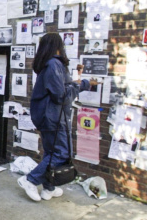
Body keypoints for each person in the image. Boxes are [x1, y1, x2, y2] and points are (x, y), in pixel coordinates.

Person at [17, 33, 99, 202]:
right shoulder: (54, 64)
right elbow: (61, 96)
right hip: (53, 118)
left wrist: (77, 83)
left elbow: (62, 88)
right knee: (61, 153)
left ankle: (49, 187)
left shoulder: (50, 64)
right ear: (57, 46)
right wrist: (84, 85)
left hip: (49, 117)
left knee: (51, 152)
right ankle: (30, 180)